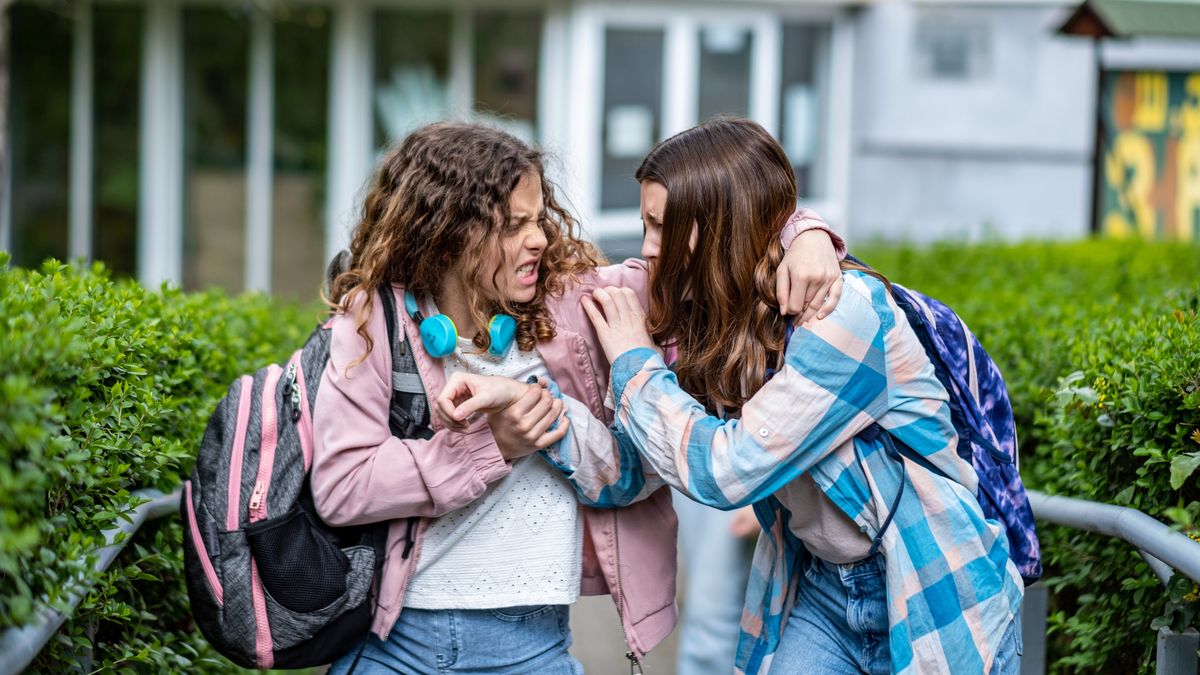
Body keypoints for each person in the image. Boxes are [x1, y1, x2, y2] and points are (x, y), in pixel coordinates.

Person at [310, 121, 845, 673]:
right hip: (396, 645)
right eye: (514, 225)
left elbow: (725, 238)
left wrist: (805, 232)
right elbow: (341, 486)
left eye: (538, 217)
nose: (539, 238)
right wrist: (491, 445)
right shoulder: (374, 322)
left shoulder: (582, 299)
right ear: (449, 231)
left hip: (535, 648)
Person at [573, 117, 1024, 674]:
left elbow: (726, 470)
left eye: (662, 227)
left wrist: (632, 360)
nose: (648, 249)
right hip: (825, 592)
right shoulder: (727, 326)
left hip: (933, 586)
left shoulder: (840, 312)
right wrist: (538, 416)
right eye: (645, 226)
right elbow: (636, 465)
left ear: (719, 229)